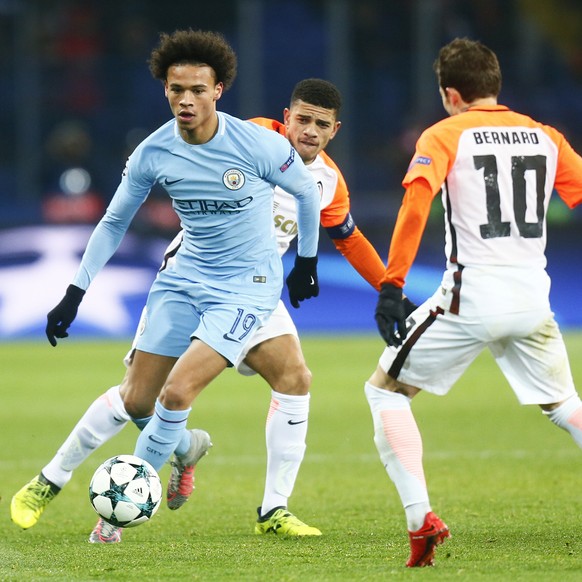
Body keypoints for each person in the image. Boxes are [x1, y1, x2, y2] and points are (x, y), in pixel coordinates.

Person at [12, 77, 400, 543]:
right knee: (138, 399)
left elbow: (348, 237)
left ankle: (272, 509)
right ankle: (106, 466)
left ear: (335, 129)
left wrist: (387, 287)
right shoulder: (252, 137)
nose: (309, 132)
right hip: (190, 275)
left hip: (253, 289)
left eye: (321, 124)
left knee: (295, 378)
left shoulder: (328, 182)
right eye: (302, 120)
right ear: (286, 116)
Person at [365, 37, 582, 568]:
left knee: (386, 391)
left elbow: (416, 204)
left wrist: (392, 285)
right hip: (534, 297)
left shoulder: (444, 134)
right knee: (565, 406)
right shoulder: (545, 136)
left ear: (450, 92)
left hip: (471, 296)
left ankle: (421, 521)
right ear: (496, 85)